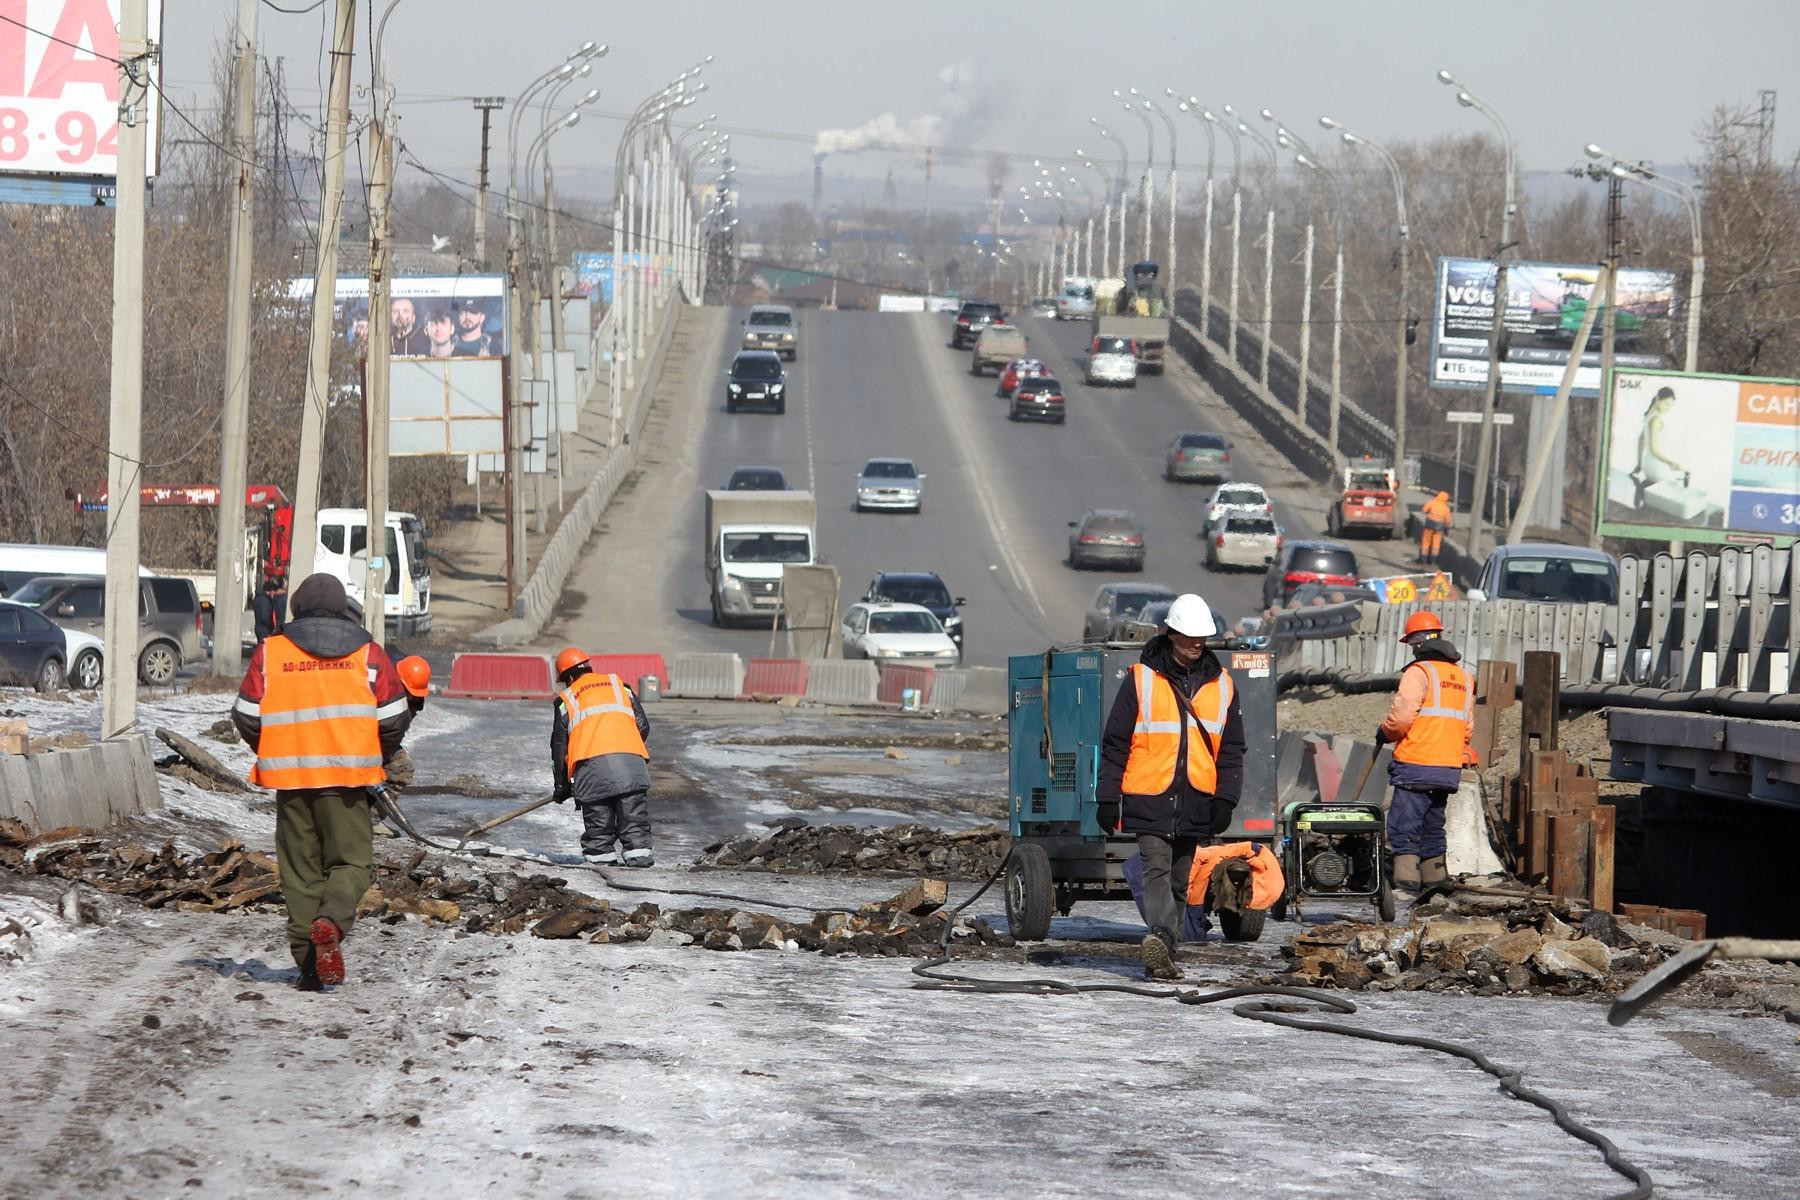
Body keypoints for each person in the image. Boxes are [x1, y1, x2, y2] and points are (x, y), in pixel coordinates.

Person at [232, 573, 414, 991]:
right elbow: (393, 718)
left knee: (300, 873)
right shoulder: (369, 655)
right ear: (343, 609)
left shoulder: (270, 652)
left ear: (295, 607)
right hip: (348, 781)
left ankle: (309, 968)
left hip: (291, 780)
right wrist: (372, 752)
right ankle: (330, 920)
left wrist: (277, 744)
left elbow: (245, 714)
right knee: (350, 863)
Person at [1097, 593, 1245, 980]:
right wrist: (1108, 796)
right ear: (1170, 633)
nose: (1197, 644)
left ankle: (1167, 951)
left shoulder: (1223, 685)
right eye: (1189, 636)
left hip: (1197, 797)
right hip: (1149, 794)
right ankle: (1160, 935)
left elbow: (1231, 750)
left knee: (1181, 878)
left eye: (1202, 637)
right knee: (1156, 870)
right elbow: (1115, 742)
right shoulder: (1141, 679)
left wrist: (1226, 798)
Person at [1375, 611, 1476, 896]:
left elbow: (1403, 717)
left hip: (1416, 762)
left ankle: (1405, 881)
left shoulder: (1419, 673)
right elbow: (1467, 728)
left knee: (1405, 820)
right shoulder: (1463, 677)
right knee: (1434, 821)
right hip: (1447, 765)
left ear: (1418, 642)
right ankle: (1435, 878)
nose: (1412, 648)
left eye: (1411, 643)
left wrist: (1385, 732)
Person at [550, 647, 653, 867]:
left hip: (591, 770)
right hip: (631, 765)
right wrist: (623, 746)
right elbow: (642, 726)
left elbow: (559, 750)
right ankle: (641, 863)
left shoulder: (565, 700)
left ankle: (602, 866)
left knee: (599, 828)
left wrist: (562, 788)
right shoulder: (620, 686)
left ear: (568, 677)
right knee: (634, 820)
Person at [380, 654, 432, 797]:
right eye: (408, 693)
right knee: (402, 768)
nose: (409, 697)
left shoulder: (413, 702)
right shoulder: (380, 688)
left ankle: (372, 815)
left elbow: (395, 732)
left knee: (402, 769)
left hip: (384, 742)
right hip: (367, 739)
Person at [1418, 490, 1452, 566]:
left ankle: (1423, 559)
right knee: (1436, 545)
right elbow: (1448, 520)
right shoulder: (1446, 508)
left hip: (1429, 526)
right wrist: (1447, 530)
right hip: (1439, 528)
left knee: (1425, 542)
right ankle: (1432, 561)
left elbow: (1424, 510)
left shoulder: (1432, 502)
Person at [251, 573, 287, 644]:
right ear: (269, 591)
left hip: (259, 627)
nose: (273, 593)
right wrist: (271, 625)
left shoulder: (258, 598)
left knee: (261, 646)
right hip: (264, 629)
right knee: (264, 647)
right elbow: (265, 617)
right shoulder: (265, 600)